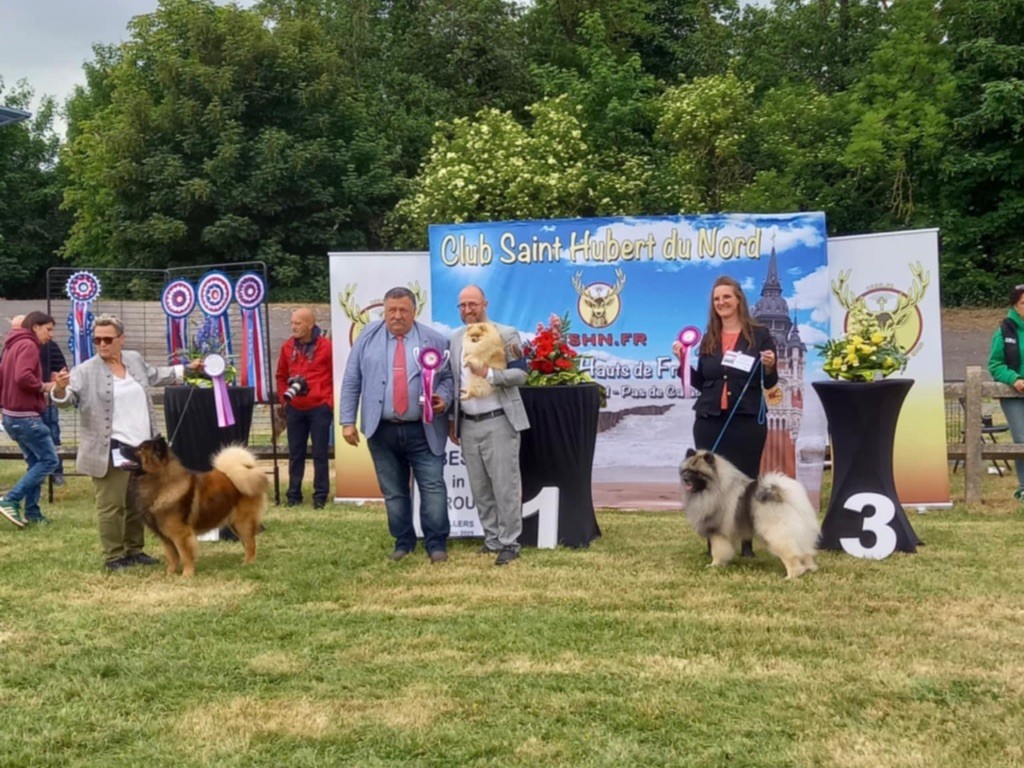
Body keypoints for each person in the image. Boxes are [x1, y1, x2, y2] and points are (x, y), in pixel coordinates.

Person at [51, 314, 200, 570]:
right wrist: (61, 388)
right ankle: (114, 556)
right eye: (97, 339)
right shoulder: (85, 370)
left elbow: (156, 374)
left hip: (141, 450)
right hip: (109, 449)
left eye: (108, 339)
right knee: (112, 505)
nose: (102, 344)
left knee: (137, 503)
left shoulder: (133, 359)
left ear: (121, 339)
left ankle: (134, 550)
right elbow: (66, 399)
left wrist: (188, 368)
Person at [340, 286, 453, 562]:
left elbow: (449, 378)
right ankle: (403, 542)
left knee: (433, 487)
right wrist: (347, 421)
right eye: (392, 310)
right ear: (384, 311)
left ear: (414, 312)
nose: (397, 316)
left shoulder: (435, 340)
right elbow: (352, 379)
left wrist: (445, 399)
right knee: (393, 491)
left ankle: (436, 544)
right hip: (382, 428)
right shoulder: (367, 337)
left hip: (424, 428)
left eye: (403, 310)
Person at [674, 276, 777, 557]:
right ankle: (714, 542)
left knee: (744, 483)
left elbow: (769, 383)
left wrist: (769, 366)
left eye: (726, 297)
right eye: (717, 299)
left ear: (739, 299)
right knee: (710, 482)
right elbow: (699, 381)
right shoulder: (709, 338)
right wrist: (681, 361)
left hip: (745, 420)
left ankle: (745, 543)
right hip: (709, 420)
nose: (721, 303)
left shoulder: (760, 335)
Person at [449, 285, 530, 565]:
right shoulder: (455, 339)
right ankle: (492, 539)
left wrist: (490, 375)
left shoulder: (506, 333)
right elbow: (455, 382)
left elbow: (521, 373)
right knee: (480, 487)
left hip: (499, 420)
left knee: (505, 485)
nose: (468, 310)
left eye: (473, 304)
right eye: (462, 305)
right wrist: (452, 420)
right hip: (468, 423)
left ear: (485, 303)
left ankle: (510, 543)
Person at [0, 312, 68, 528]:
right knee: (49, 460)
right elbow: (23, 377)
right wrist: (45, 386)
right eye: (48, 329)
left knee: (35, 463)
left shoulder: (11, 346)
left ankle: (32, 512)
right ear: (35, 327)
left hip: (11, 416)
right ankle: (11, 499)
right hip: (27, 417)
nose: (51, 334)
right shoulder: (29, 346)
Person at [275, 307, 333, 509]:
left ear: (310, 324)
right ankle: (293, 494)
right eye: (292, 323)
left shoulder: (327, 347)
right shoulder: (287, 347)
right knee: (296, 453)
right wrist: (285, 400)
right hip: (295, 408)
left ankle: (320, 495)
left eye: (298, 323)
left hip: (319, 407)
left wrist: (329, 403)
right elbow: (281, 376)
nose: (293, 327)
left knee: (320, 453)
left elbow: (336, 375)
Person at [988, 284, 1024, 501]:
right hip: (1014, 395)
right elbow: (995, 364)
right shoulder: (1003, 331)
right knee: (1021, 439)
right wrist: (1014, 380)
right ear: (1014, 305)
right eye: (1023, 303)